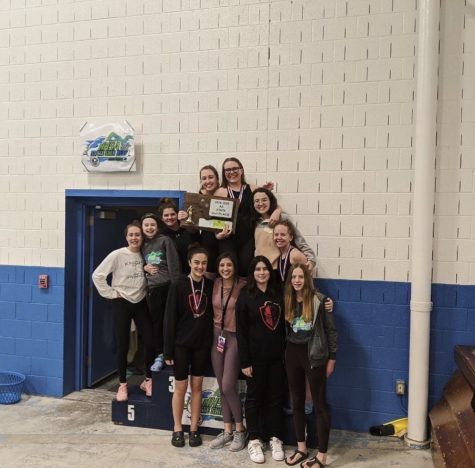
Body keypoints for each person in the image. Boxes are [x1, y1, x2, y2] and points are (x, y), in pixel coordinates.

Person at [92, 222, 155, 402]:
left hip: (140, 301)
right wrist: (112, 293)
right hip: (122, 302)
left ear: (142, 237)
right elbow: (98, 275)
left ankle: (148, 381)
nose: (135, 238)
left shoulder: (146, 254)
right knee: (123, 345)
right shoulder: (118, 254)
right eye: (131, 235)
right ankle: (122, 385)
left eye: (138, 235)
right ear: (126, 237)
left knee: (150, 342)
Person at [283, 264, 337, 468]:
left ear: (307, 279)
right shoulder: (287, 299)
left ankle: (322, 456)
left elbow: (331, 332)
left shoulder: (320, 301)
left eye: (300, 277)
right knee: (296, 401)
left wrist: (332, 358)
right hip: (292, 355)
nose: (297, 280)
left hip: (314, 356)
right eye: (293, 277)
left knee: (319, 404)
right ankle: (302, 448)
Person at [236, 256, 285, 464]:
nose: (262, 272)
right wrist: (245, 362)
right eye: (258, 269)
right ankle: (254, 440)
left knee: (274, 398)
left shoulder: (278, 293)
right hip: (254, 359)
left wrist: (325, 301)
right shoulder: (245, 296)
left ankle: (274, 438)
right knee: (254, 399)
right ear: (252, 272)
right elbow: (241, 331)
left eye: (265, 268)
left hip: (276, 358)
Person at [163, 245, 214, 448]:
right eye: (197, 262)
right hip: (181, 345)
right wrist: (168, 349)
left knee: (197, 387)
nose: (200, 266)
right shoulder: (178, 285)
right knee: (180, 388)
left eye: (203, 263)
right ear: (189, 263)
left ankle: (194, 429)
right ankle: (177, 428)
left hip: (202, 344)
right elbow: (169, 318)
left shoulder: (210, 285)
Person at [214, 157, 278, 277]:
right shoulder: (220, 192)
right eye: (227, 170)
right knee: (229, 268)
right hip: (227, 238)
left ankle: (245, 295)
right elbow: (213, 219)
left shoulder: (252, 188)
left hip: (248, 237)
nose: (231, 172)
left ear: (241, 170)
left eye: (235, 168)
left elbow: (269, 203)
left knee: (246, 267)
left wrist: (277, 211)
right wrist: (217, 235)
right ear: (224, 173)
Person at [209, 253, 248, 451]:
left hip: (234, 338)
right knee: (221, 385)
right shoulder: (214, 283)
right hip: (218, 337)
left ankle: (241, 431)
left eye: (229, 265)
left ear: (235, 266)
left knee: (227, 385)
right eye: (222, 265)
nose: (225, 268)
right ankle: (227, 430)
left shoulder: (242, 284)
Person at [141, 213, 181, 373]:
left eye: (152, 224)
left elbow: (174, 265)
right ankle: (160, 355)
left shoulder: (165, 241)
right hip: (151, 290)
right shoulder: (142, 244)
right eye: (146, 225)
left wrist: (175, 287)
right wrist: (144, 267)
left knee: (170, 323)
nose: (149, 227)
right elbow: (138, 263)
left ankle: (172, 354)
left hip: (167, 287)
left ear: (157, 226)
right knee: (156, 325)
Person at [252, 187, 317, 270]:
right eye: (256, 201)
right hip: (260, 269)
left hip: (277, 269)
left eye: (264, 200)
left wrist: (311, 259)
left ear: (270, 201)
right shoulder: (254, 221)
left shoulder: (281, 218)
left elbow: (298, 239)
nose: (260, 203)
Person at [159, 198, 199, 274]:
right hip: (173, 276)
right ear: (162, 218)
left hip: (193, 273)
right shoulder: (161, 236)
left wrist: (188, 220)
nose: (170, 217)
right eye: (166, 215)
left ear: (177, 214)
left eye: (172, 214)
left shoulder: (188, 230)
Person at [273, 219, 308, 285]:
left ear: (291, 237)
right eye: (276, 234)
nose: (279, 237)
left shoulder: (295, 255)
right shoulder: (279, 254)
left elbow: (308, 277)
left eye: (283, 235)